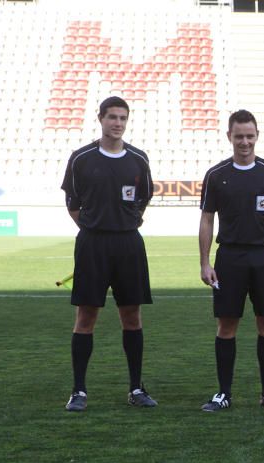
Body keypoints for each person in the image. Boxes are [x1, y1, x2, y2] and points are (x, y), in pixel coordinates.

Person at [198, 109, 264, 412]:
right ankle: (223, 393)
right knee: (226, 325)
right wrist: (205, 262)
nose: (244, 142)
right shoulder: (217, 175)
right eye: (239, 136)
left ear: (257, 136)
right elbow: (206, 220)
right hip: (229, 257)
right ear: (229, 136)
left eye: (249, 136)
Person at [62, 96, 156, 412]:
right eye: (112, 117)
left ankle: (135, 388)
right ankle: (78, 390)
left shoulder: (138, 160)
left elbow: (143, 199)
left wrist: (122, 224)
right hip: (92, 244)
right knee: (86, 315)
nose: (117, 123)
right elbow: (73, 205)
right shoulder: (81, 158)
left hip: (129, 244)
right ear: (100, 118)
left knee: (131, 315)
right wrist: (96, 227)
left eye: (122, 118)